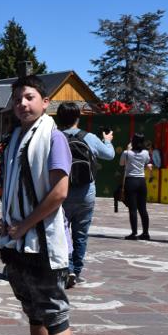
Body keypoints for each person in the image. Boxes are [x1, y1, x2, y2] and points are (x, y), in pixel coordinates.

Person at [0, 75, 73, 335]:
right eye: (17, 99)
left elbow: (60, 192)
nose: (22, 104)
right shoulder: (16, 139)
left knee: (54, 313)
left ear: (44, 102)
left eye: (29, 97)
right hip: (18, 241)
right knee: (33, 308)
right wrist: (9, 221)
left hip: (41, 243)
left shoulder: (53, 139)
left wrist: (25, 224)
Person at [52, 102, 115, 287]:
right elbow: (109, 155)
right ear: (78, 118)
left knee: (61, 233)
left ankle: (67, 268)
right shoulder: (89, 138)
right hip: (86, 193)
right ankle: (77, 271)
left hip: (60, 193)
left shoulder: (55, 138)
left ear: (59, 118)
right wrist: (108, 140)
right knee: (80, 234)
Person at [120, 133, 153, 240]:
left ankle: (134, 233)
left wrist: (128, 149)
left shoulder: (127, 153)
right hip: (141, 181)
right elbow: (147, 162)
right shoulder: (145, 152)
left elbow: (121, 163)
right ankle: (146, 233)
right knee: (143, 209)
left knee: (133, 209)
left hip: (131, 181)